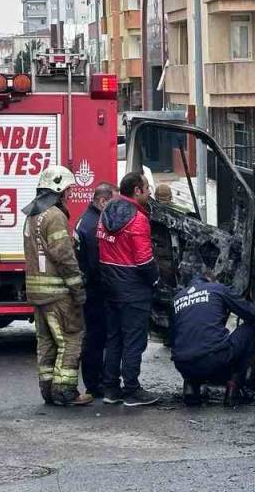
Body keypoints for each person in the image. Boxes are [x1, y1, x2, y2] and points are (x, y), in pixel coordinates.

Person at [22, 165, 92, 407]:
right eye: (68, 190)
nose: (69, 195)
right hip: (58, 293)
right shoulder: (55, 216)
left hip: (38, 293)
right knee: (70, 338)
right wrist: (78, 289)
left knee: (48, 342)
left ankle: (48, 389)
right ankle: (65, 392)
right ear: (59, 188)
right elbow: (64, 256)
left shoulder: (33, 215)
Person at [96, 172, 161, 406]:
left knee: (114, 339)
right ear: (137, 190)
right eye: (146, 188)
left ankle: (111, 389)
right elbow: (144, 260)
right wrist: (155, 280)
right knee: (134, 340)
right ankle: (132, 390)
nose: (149, 192)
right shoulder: (138, 219)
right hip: (133, 289)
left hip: (110, 286)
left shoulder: (106, 213)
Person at [170, 259, 255, 407]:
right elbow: (250, 312)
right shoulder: (217, 289)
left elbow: (173, 338)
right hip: (214, 359)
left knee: (188, 343)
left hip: (183, 365)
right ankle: (233, 388)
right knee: (249, 330)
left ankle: (191, 387)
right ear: (210, 280)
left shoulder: (176, 299)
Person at [75, 182, 116, 398]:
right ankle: (94, 383)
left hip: (89, 289)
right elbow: (95, 265)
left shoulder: (86, 219)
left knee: (94, 337)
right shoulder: (93, 227)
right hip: (95, 292)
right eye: (112, 202)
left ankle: (95, 380)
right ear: (102, 201)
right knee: (96, 338)